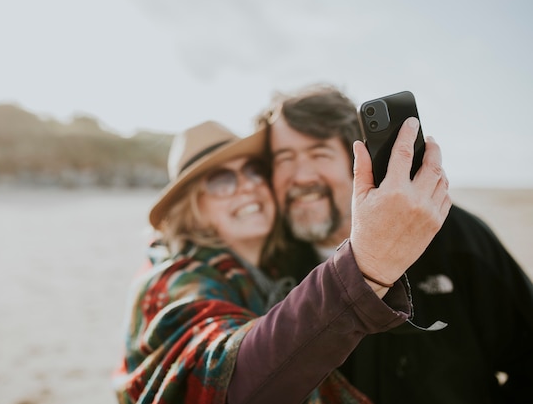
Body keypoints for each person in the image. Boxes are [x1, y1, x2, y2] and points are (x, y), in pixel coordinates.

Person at [113, 119, 451, 404]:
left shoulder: (279, 266)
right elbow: (225, 380)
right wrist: (367, 264)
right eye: (221, 180)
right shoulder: (175, 280)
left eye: (254, 171)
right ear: (194, 210)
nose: (246, 187)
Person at [256, 84, 533, 404]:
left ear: (355, 162)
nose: (301, 176)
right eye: (283, 158)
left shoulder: (450, 235)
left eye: (319, 154)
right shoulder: (271, 267)